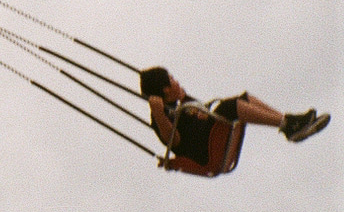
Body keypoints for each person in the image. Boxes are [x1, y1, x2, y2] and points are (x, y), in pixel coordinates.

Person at [140, 66, 330, 168]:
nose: (177, 81)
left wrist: (184, 99)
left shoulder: (183, 104)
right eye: (172, 79)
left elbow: (202, 113)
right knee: (230, 107)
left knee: (244, 98)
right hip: (206, 152)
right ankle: (288, 124)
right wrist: (159, 113)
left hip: (211, 138)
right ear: (166, 89)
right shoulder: (161, 116)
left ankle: (288, 123)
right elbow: (173, 140)